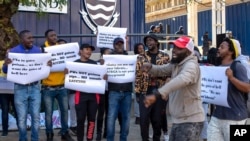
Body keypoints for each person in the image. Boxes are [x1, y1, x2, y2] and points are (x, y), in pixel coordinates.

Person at [142, 36, 205, 141]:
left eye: (179, 48)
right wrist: (151, 67)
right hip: (179, 120)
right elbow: (163, 69)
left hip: (190, 121)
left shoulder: (191, 65)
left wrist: (158, 93)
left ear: (188, 51)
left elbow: (182, 79)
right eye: (174, 47)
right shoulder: (177, 64)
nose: (174, 50)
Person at [2, 30, 51, 141]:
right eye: (29, 38)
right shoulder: (13, 52)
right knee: (22, 118)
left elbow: (43, 68)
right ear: (22, 39)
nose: (32, 40)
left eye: (32, 38)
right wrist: (6, 64)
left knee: (36, 116)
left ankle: (35, 139)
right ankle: (22, 138)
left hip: (35, 87)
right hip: (20, 88)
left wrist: (48, 65)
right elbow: (5, 71)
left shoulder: (38, 51)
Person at [207, 38, 250, 141]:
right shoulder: (218, 68)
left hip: (237, 117)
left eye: (222, 47)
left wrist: (231, 78)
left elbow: (247, 88)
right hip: (217, 116)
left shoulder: (238, 67)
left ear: (231, 51)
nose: (218, 49)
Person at [135, 34, 169, 141]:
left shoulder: (165, 56)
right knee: (144, 120)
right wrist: (137, 92)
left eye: (150, 40)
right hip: (145, 91)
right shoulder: (141, 57)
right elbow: (138, 75)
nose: (148, 43)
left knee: (157, 120)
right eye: (147, 41)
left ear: (156, 42)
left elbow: (169, 73)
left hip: (159, 91)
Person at [41, 29, 74, 141]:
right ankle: (49, 134)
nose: (54, 37)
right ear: (46, 38)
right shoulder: (42, 50)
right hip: (48, 87)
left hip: (62, 86)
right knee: (48, 113)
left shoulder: (61, 48)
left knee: (64, 111)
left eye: (55, 35)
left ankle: (65, 133)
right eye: (52, 35)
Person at [106, 37, 133, 141]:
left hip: (127, 92)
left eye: (121, 43)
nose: (120, 45)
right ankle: (110, 139)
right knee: (111, 117)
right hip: (114, 92)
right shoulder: (109, 58)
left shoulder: (129, 57)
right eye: (117, 44)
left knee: (126, 118)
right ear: (114, 46)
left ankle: (123, 139)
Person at [96, 47, 112, 141]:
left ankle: (106, 131)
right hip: (101, 91)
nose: (109, 54)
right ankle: (99, 132)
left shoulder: (113, 63)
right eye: (107, 52)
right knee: (101, 113)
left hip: (110, 90)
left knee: (109, 113)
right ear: (102, 53)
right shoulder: (97, 63)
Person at [0, 59, 18, 137]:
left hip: (14, 90)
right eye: (7, 53)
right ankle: (5, 131)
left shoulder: (17, 63)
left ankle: (21, 129)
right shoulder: (0, 63)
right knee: (5, 110)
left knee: (17, 110)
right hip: (3, 91)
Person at [133, 43, 145, 125]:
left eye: (142, 48)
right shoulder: (134, 58)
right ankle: (138, 116)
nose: (141, 50)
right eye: (139, 48)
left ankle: (145, 116)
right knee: (137, 98)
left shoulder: (146, 57)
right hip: (136, 79)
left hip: (145, 79)